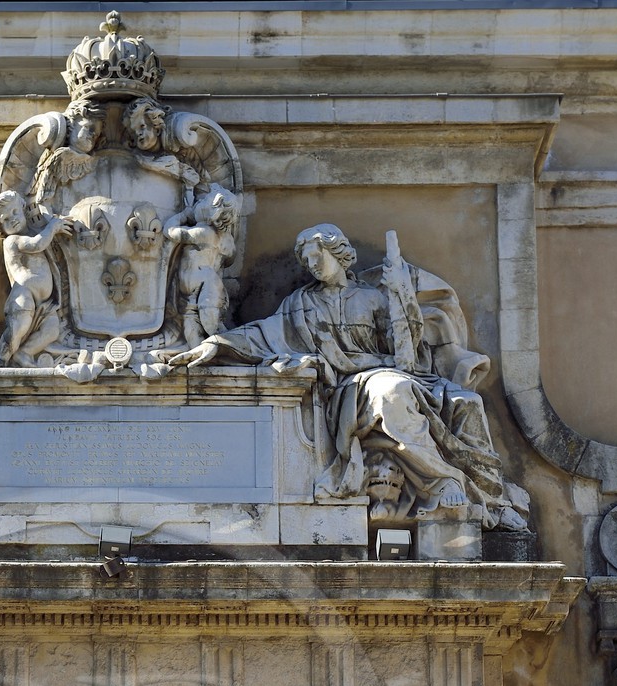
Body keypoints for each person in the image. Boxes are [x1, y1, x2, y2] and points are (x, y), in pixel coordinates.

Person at [171, 222, 528, 531]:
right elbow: (264, 334)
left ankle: (492, 497)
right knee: (392, 394)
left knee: (467, 402)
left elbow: (405, 354)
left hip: (390, 371)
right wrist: (217, 344)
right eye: (307, 260)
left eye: (318, 256)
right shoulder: (300, 304)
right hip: (350, 386)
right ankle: (444, 481)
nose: (313, 265)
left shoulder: (373, 298)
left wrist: (402, 295)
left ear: (337, 253)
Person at [0, 191, 75, 366]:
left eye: (15, 212)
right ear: (0, 227)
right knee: (18, 327)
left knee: (52, 331)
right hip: (24, 295)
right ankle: (1, 358)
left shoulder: (32, 234)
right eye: (6, 219)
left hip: (45, 304)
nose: (13, 219)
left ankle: (24, 353)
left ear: (23, 209)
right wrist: (53, 227)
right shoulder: (12, 241)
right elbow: (37, 244)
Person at [165, 185, 239, 347]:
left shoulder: (203, 232)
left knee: (211, 326)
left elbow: (170, 231)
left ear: (214, 212)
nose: (198, 203)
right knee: (192, 326)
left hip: (207, 287)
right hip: (200, 287)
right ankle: (202, 353)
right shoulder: (227, 240)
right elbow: (230, 259)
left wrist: (185, 214)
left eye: (203, 201)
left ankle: (228, 347)